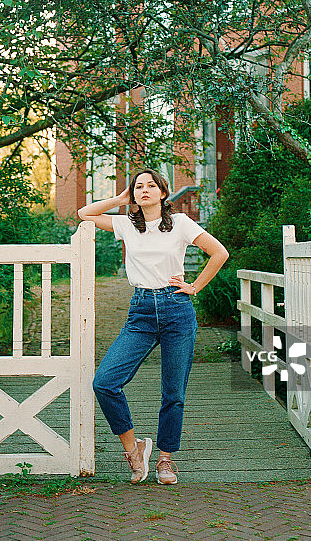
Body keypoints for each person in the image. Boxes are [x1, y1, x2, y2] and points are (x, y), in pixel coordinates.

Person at [77, 168, 229, 485]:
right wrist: (119, 198)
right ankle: (135, 450)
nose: (144, 189)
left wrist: (196, 286)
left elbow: (219, 253)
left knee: (173, 393)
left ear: (163, 192)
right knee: (104, 382)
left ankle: (164, 460)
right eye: (138, 186)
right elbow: (84, 213)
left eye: (150, 185)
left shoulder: (181, 224)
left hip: (176, 309)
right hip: (142, 311)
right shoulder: (126, 225)